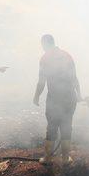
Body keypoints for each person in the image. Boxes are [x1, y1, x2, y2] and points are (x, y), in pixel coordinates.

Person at [33, 34, 81, 165]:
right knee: (66, 127)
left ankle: (48, 158)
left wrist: (36, 96)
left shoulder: (45, 59)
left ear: (44, 44)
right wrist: (80, 95)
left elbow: (41, 82)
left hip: (54, 99)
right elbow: (75, 78)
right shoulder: (67, 56)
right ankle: (65, 159)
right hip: (70, 98)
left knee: (52, 127)